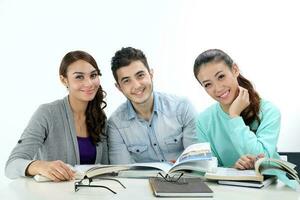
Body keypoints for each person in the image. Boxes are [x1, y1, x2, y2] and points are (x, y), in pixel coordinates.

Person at [5, 50, 108, 181]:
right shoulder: (47, 113)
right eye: (79, 77)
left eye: (93, 75)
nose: (89, 83)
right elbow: (12, 165)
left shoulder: (100, 117)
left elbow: (105, 169)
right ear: (64, 80)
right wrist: (39, 166)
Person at [108, 47, 198, 164]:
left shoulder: (182, 108)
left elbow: (197, 162)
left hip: (187, 180)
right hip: (141, 182)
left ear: (151, 74)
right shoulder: (115, 124)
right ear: (119, 87)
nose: (136, 85)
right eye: (126, 81)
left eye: (140, 75)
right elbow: (123, 171)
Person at [193, 49, 281, 170]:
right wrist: (232, 169)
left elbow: (261, 158)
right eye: (208, 84)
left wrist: (234, 116)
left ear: (235, 70)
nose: (218, 88)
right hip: (228, 187)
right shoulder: (203, 121)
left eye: (221, 76)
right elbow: (208, 169)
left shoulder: (269, 111)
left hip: (271, 186)